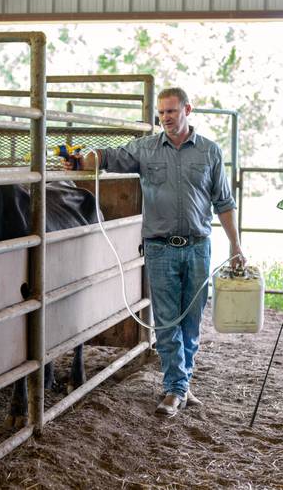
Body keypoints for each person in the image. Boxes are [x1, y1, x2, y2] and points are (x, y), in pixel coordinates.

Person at [67, 87, 244, 417]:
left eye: (171, 112)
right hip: (160, 247)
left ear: (187, 110)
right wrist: (83, 159)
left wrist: (236, 244)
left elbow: (224, 202)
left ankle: (181, 382)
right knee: (166, 321)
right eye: (161, 113)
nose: (165, 118)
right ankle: (175, 388)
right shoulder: (146, 149)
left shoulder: (209, 151)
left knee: (191, 321)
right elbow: (106, 156)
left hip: (198, 247)